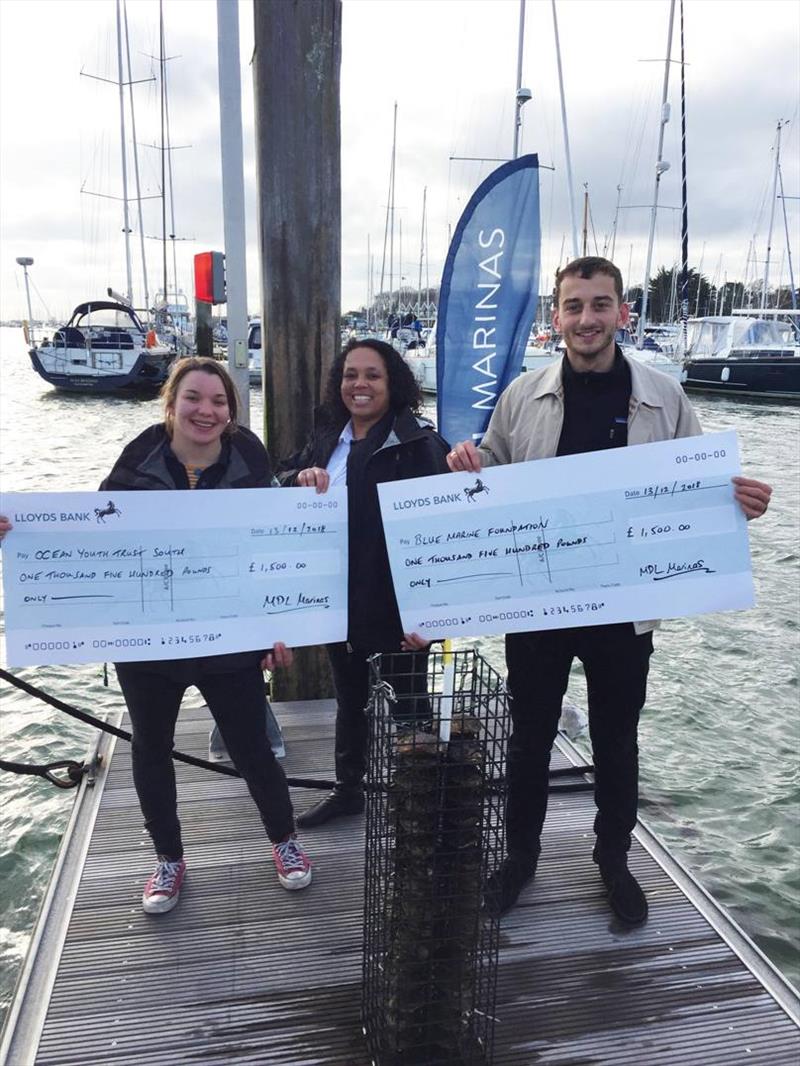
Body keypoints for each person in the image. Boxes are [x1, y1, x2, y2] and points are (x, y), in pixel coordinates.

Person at [446, 257, 772, 925]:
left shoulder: (664, 394)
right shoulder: (521, 395)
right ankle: (520, 859)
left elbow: (696, 493)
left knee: (617, 740)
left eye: (600, 305)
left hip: (625, 610)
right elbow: (493, 492)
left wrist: (738, 503)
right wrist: (467, 470)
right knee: (528, 737)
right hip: (539, 603)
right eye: (574, 306)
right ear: (557, 316)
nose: (587, 318)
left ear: (622, 312)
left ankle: (613, 860)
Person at [99, 356, 312, 913]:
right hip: (150, 641)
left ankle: (284, 841)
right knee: (151, 747)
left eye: (219, 401)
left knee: (251, 747)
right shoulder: (138, 458)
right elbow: (91, 536)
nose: (206, 410)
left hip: (227, 635)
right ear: (171, 404)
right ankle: (168, 858)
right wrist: (17, 534)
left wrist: (277, 628)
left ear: (231, 411)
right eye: (194, 398)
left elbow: (275, 540)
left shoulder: (248, 455)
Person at [279, 337, 450, 828]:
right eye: (350, 374)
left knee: (409, 706)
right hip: (338, 600)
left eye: (372, 374)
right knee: (348, 699)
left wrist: (434, 618)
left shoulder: (420, 443)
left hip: (396, 606)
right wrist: (296, 477)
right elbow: (278, 478)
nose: (360, 384)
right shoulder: (327, 436)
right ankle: (348, 789)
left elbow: (444, 536)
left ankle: (421, 801)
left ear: (392, 382)